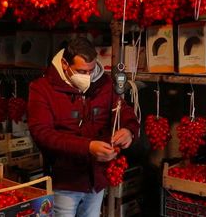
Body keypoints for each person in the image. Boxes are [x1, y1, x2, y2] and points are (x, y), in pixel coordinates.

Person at [27, 37, 139, 217]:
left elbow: (123, 110)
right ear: (64, 64)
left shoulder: (104, 83)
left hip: (97, 179)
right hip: (65, 182)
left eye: (91, 70)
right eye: (81, 71)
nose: (88, 77)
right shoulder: (42, 88)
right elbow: (42, 134)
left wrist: (129, 130)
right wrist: (87, 147)